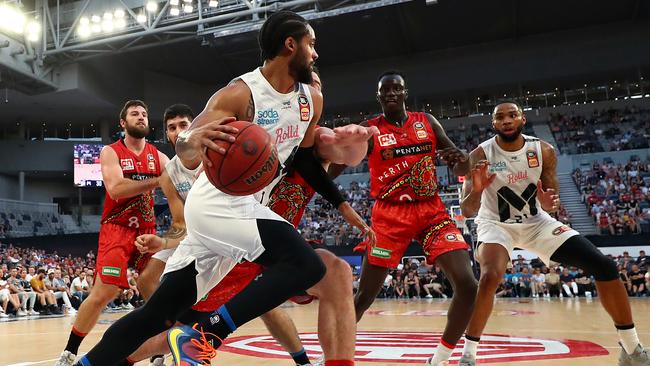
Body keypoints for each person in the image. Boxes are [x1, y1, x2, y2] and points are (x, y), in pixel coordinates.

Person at [72, 11, 373, 366]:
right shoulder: (240, 94)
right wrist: (190, 138)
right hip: (216, 201)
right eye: (311, 44)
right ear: (290, 45)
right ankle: (206, 335)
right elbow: (185, 147)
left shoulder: (311, 100)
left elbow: (304, 159)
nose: (315, 54)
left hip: (243, 209)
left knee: (157, 315)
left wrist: (340, 204)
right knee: (306, 265)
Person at [457, 101, 650, 366]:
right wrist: (477, 190)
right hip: (495, 224)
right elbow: (467, 209)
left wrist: (551, 205)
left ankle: (631, 349)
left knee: (603, 265)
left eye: (512, 115)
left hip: (536, 222)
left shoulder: (544, 150)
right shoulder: (480, 154)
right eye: (500, 117)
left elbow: (552, 199)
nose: (506, 120)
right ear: (493, 124)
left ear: (522, 119)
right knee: (491, 275)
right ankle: (468, 355)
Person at [352, 71, 478, 366]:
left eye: (397, 88)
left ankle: (440, 358)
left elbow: (462, 168)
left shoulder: (427, 122)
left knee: (468, 284)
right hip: (389, 214)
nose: (392, 93)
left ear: (405, 92)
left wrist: (459, 157)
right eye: (386, 90)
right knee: (364, 296)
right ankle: (331, 353)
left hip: (431, 210)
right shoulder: (369, 129)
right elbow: (336, 165)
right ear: (379, 96)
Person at [56, 100, 168, 366]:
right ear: (123, 123)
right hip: (116, 229)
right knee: (103, 293)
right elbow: (116, 189)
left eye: (144, 114)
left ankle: (158, 350)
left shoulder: (159, 156)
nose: (141, 117)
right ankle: (70, 351)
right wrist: (158, 181)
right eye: (134, 114)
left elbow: (181, 181)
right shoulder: (111, 151)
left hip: (147, 230)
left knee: (154, 290)